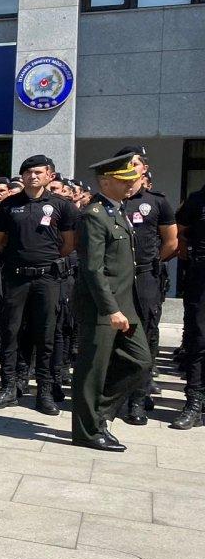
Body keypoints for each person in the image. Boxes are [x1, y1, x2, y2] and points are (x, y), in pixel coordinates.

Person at [71, 153, 151, 451]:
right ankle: (87, 432)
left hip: (123, 305)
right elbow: (94, 269)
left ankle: (99, 413)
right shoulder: (94, 215)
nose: (133, 183)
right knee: (92, 371)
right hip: (103, 307)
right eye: (125, 179)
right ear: (106, 182)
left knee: (141, 361)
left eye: (134, 178)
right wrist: (111, 309)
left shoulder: (117, 211)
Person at [0, 155, 77, 415]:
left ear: (50, 175)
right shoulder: (9, 205)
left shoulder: (62, 206)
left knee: (46, 335)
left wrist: (45, 261)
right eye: (27, 172)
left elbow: (68, 244)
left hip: (47, 278)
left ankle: (45, 392)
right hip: (15, 278)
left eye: (38, 172)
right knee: (11, 332)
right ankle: (9, 388)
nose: (32, 176)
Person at [116, 148, 177, 425]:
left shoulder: (157, 202)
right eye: (125, 164)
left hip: (146, 278)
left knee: (146, 335)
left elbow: (171, 242)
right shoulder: (110, 201)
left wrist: (149, 264)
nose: (130, 168)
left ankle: (138, 399)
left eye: (135, 163)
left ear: (144, 169)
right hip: (116, 279)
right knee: (116, 336)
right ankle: (116, 396)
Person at [172, 176, 205, 430]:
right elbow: (178, 233)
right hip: (201, 277)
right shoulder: (197, 199)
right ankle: (194, 403)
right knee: (198, 340)